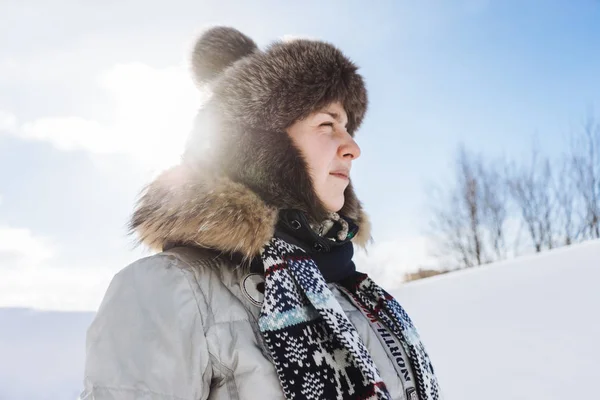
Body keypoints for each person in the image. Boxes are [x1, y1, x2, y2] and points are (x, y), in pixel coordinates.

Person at [80, 26, 440, 400]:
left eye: (347, 127)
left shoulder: (350, 292)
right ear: (266, 150)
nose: (352, 147)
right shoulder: (171, 289)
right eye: (327, 124)